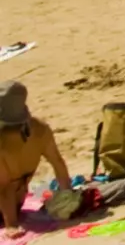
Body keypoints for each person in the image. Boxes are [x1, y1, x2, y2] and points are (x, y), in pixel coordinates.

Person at [0, 81, 74, 230]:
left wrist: (11, 225)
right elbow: (57, 163)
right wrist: (68, 196)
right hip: (17, 204)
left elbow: (4, 188)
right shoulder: (41, 129)